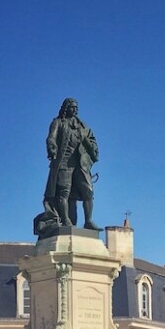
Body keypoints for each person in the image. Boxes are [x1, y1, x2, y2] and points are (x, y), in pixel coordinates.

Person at [41, 98, 99, 233]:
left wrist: (86, 142)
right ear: (66, 108)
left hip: (81, 164)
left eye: (76, 107)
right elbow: (51, 137)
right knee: (64, 192)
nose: (75, 109)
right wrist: (52, 147)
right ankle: (66, 220)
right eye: (72, 107)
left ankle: (88, 221)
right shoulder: (57, 122)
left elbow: (93, 145)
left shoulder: (83, 126)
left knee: (88, 192)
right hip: (64, 162)